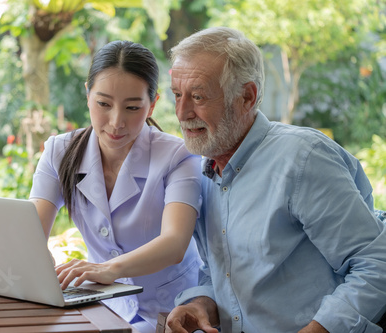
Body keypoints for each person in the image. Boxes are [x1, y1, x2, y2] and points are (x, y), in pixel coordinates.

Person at [165, 27, 386, 333]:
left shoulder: (303, 159)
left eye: (198, 96)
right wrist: (199, 304)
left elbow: (376, 263)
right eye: (177, 95)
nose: (181, 112)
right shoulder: (205, 170)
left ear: (247, 96)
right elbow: (221, 274)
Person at [29, 40, 202, 333]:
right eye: (103, 104)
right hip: (102, 308)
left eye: (132, 107)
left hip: (173, 312)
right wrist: (41, 267)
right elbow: (28, 231)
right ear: (87, 95)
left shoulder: (178, 155)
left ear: (153, 105)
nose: (116, 122)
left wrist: (107, 269)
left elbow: (175, 243)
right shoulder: (59, 151)